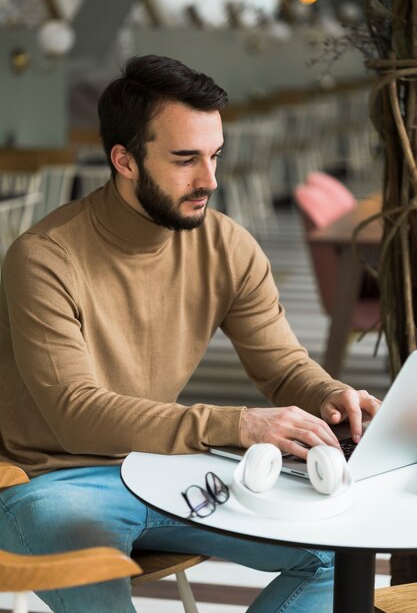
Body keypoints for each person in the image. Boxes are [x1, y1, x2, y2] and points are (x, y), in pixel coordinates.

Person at [0, 55, 380, 613]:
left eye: (214, 156)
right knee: (90, 561)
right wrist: (238, 424)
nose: (210, 180)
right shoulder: (43, 258)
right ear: (124, 160)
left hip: (159, 471)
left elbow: (281, 365)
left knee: (333, 557)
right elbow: (74, 412)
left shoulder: (227, 245)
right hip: (49, 483)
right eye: (185, 160)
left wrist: (327, 396)